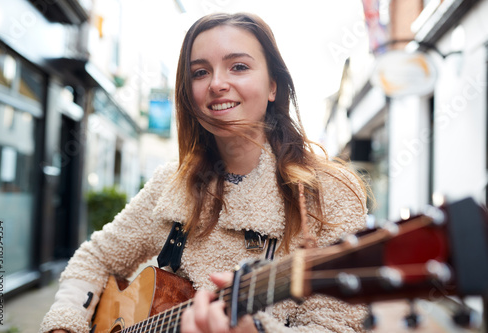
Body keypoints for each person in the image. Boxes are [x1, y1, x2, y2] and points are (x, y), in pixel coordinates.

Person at [41, 12, 368, 333]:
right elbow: (95, 258)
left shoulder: (329, 192)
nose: (217, 84)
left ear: (273, 86)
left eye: (238, 67)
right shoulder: (171, 185)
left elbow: (338, 325)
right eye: (200, 72)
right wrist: (64, 325)